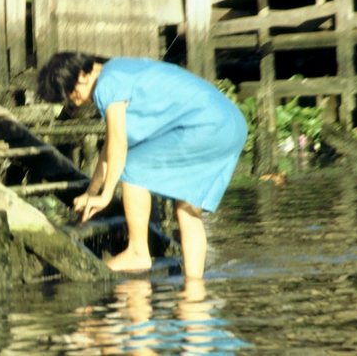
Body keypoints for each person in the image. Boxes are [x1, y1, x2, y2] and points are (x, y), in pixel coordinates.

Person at [37, 52, 247, 279]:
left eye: (70, 94)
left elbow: (119, 144)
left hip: (206, 126)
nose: (73, 102)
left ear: (82, 76)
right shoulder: (117, 69)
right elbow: (110, 146)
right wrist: (91, 191)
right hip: (230, 123)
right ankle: (194, 288)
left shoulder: (107, 83)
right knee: (187, 210)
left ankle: (138, 250)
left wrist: (106, 196)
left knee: (132, 165)